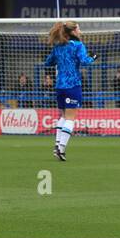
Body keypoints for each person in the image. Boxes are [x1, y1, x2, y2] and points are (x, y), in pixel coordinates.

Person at [44, 19, 97, 161]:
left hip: (60, 86)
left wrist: (58, 59)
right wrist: (93, 57)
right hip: (73, 85)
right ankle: (61, 149)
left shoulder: (58, 46)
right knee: (70, 118)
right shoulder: (78, 45)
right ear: (73, 31)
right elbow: (85, 61)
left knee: (62, 116)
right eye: (78, 29)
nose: (80, 31)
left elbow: (48, 62)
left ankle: (57, 145)